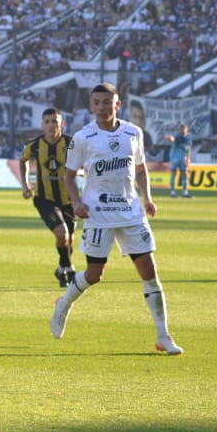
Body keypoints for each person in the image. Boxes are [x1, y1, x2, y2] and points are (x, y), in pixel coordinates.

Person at [52, 82, 183, 355]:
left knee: (149, 270)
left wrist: (147, 198)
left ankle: (163, 336)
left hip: (131, 211)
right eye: (96, 103)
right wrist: (77, 203)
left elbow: (141, 169)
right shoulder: (83, 137)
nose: (101, 107)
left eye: (107, 102)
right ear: (91, 106)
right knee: (94, 275)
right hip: (98, 214)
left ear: (118, 104)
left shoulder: (133, 132)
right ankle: (64, 303)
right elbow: (69, 176)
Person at [20, 107, 76, 288]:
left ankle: (60, 269)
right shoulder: (35, 145)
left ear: (62, 123)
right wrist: (25, 185)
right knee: (62, 233)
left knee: (69, 240)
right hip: (44, 199)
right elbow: (23, 160)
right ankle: (70, 270)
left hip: (68, 198)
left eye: (55, 121)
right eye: (47, 122)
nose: (51, 125)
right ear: (42, 125)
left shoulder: (71, 143)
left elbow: (85, 162)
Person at [163, 123, 194, 198]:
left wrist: (188, 158)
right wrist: (170, 138)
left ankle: (185, 192)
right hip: (174, 158)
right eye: (181, 129)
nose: (182, 130)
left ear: (186, 129)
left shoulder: (189, 137)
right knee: (174, 174)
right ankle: (173, 192)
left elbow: (189, 147)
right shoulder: (177, 136)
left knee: (185, 174)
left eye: (184, 128)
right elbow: (173, 139)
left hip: (183, 158)